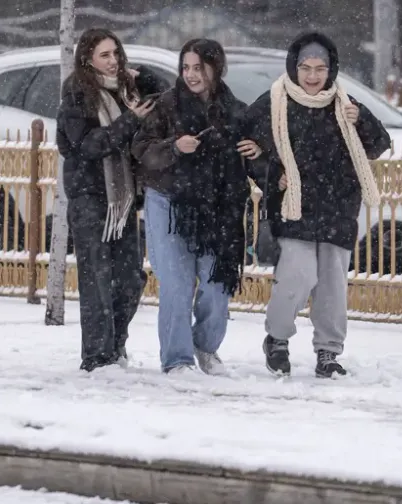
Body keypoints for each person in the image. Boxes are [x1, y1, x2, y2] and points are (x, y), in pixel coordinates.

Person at [245, 32, 391, 379]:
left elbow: (378, 143)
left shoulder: (345, 103)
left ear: (331, 70)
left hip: (338, 208)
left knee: (332, 285)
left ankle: (328, 352)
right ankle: (277, 339)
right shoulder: (275, 101)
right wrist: (272, 173)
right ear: (294, 67)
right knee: (298, 275)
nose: (312, 76)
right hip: (293, 208)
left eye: (320, 69)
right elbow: (248, 146)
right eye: (306, 68)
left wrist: (362, 121)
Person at [131, 39, 262, 375]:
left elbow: (257, 159)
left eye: (198, 67)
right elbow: (141, 149)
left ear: (215, 68)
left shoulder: (235, 110)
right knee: (176, 283)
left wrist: (257, 152)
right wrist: (174, 147)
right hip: (170, 203)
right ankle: (177, 358)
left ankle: (205, 348)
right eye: (185, 67)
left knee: (217, 285)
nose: (191, 74)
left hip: (218, 208)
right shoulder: (167, 105)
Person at [55, 28, 161, 372]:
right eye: (105, 55)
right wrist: (131, 120)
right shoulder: (76, 93)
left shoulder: (126, 89)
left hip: (123, 199)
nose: (113, 61)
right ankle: (97, 357)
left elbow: (163, 94)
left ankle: (115, 346)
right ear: (87, 58)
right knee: (97, 279)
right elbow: (90, 145)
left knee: (130, 278)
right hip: (90, 198)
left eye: (116, 53)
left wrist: (141, 75)